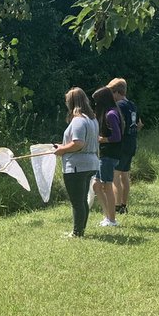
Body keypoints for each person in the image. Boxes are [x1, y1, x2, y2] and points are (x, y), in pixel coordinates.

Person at [53, 87, 100, 237]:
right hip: (90, 163)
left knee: (77, 202)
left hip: (77, 166)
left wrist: (62, 150)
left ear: (71, 102)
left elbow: (78, 143)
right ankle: (80, 230)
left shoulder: (79, 120)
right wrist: (62, 146)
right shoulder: (91, 119)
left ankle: (77, 233)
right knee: (82, 200)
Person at [107, 77, 142, 214]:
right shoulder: (132, 105)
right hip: (131, 143)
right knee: (125, 175)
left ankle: (117, 205)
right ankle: (124, 204)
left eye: (111, 93)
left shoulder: (119, 106)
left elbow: (118, 126)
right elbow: (139, 124)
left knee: (115, 175)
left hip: (121, 145)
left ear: (117, 93)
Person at [90, 86, 123, 227]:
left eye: (97, 102)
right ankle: (106, 216)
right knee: (96, 185)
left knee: (107, 186)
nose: (96, 105)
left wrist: (102, 139)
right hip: (102, 155)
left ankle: (112, 220)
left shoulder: (111, 114)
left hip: (109, 155)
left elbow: (117, 136)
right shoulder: (109, 112)